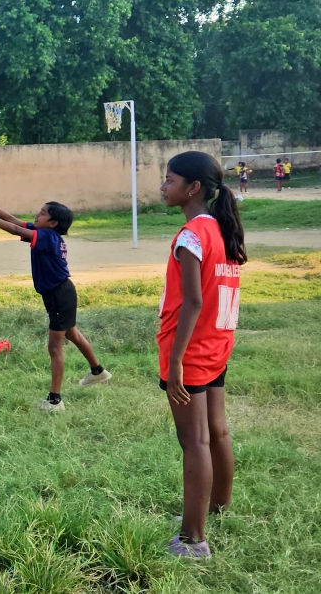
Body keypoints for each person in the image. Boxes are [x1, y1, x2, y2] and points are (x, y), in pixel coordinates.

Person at [157, 151, 245, 559]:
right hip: (216, 346)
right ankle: (217, 507)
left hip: (190, 351)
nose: (164, 186)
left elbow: (192, 302)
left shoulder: (192, 236)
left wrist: (175, 361)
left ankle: (194, 540)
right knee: (217, 432)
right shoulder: (223, 231)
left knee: (194, 441)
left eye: (170, 180)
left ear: (192, 188)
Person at [0, 195, 110, 411]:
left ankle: (55, 401)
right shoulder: (46, 233)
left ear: (53, 223)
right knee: (72, 334)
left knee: (55, 347)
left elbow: (15, 230)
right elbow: (13, 221)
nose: (38, 214)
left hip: (59, 294)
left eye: (43, 213)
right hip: (60, 292)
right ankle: (97, 371)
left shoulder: (47, 237)